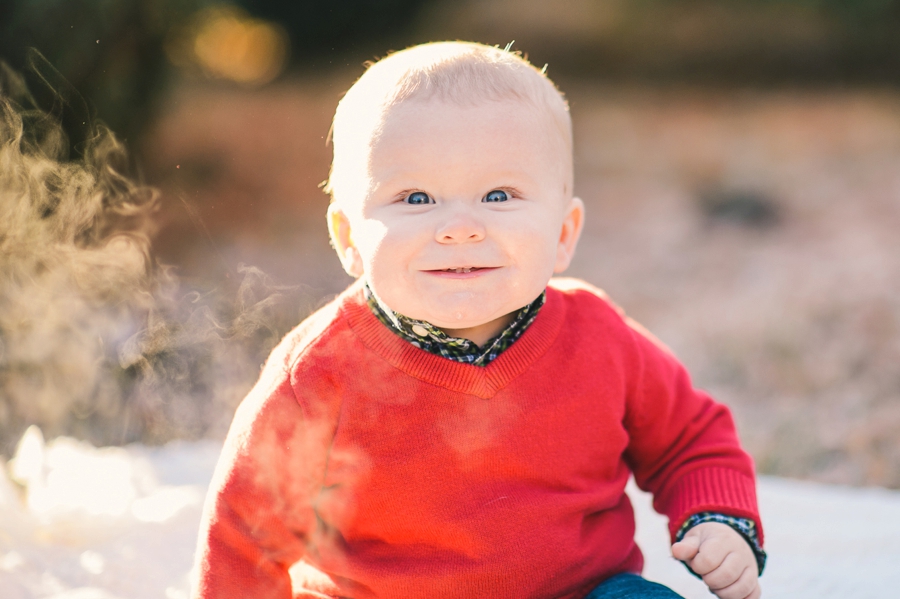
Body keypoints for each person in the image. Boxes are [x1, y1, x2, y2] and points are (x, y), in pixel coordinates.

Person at [192, 41, 766, 599]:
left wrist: (718, 520)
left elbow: (691, 439)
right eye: (416, 198)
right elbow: (245, 533)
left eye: (498, 194)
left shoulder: (599, 337)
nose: (460, 227)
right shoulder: (319, 374)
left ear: (563, 234)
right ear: (348, 237)